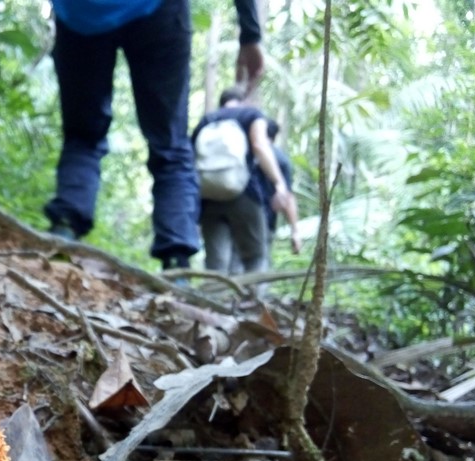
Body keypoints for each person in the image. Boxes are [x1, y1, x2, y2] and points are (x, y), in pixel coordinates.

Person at [44, 0, 264, 273]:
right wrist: (251, 34)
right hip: (159, 13)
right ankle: (176, 264)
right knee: (170, 145)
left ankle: (64, 232)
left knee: (82, 136)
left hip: (81, 14)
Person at [194, 87, 291, 275]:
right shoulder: (250, 114)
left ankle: (213, 302)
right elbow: (260, 146)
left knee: (215, 264)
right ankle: (254, 302)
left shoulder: (207, 120)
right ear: (243, 100)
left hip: (208, 197)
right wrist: (279, 183)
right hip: (244, 194)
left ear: (222, 102)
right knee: (255, 256)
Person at [227, 118, 301, 272]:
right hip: (263, 221)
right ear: (274, 137)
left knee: (234, 260)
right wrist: (295, 230)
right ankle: (253, 295)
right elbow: (287, 196)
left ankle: (229, 294)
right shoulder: (280, 159)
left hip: (235, 216)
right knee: (258, 260)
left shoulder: (243, 152)